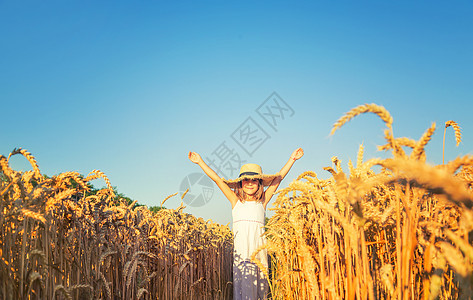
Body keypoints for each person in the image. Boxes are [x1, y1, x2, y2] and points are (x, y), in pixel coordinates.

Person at [188, 148, 304, 300]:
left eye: (254, 180)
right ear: (241, 183)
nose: (250, 183)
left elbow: (278, 179)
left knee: (260, 289)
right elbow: (217, 179)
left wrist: (292, 159)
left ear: (260, 183)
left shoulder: (263, 201)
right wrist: (200, 162)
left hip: (259, 254)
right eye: (246, 180)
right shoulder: (235, 201)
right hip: (241, 255)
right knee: (243, 289)